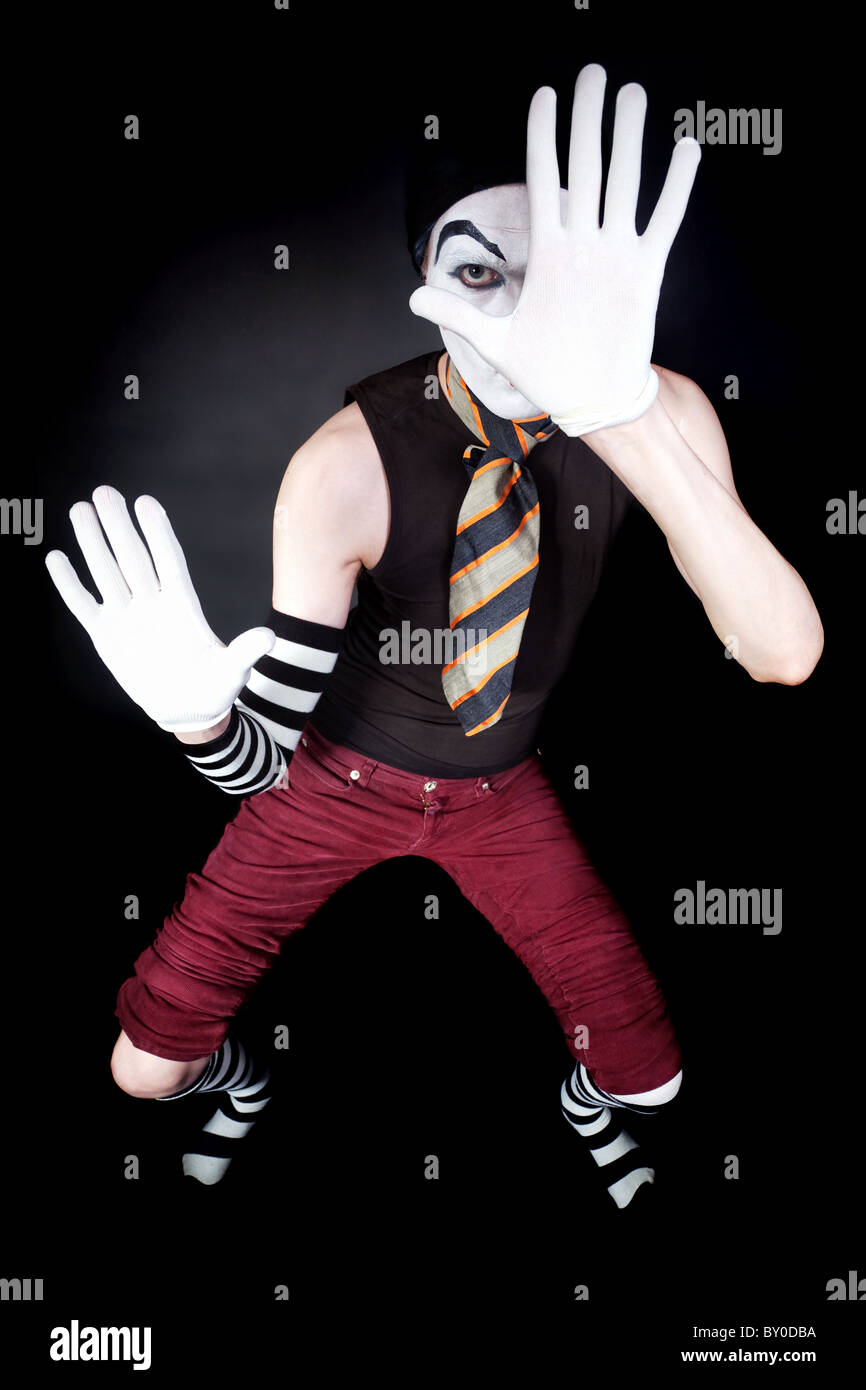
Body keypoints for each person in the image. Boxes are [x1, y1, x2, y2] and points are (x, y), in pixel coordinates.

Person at [45, 66, 823, 1205]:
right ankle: (247, 1084)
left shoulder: (660, 413)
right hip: (333, 776)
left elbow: (781, 653)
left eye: (552, 277)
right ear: (426, 280)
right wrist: (201, 716)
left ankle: (578, 1102)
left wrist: (619, 417)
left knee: (651, 1088)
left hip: (499, 788)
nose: (523, 314)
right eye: (478, 273)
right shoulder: (343, 463)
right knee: (139, 1071)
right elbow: (259, 765)